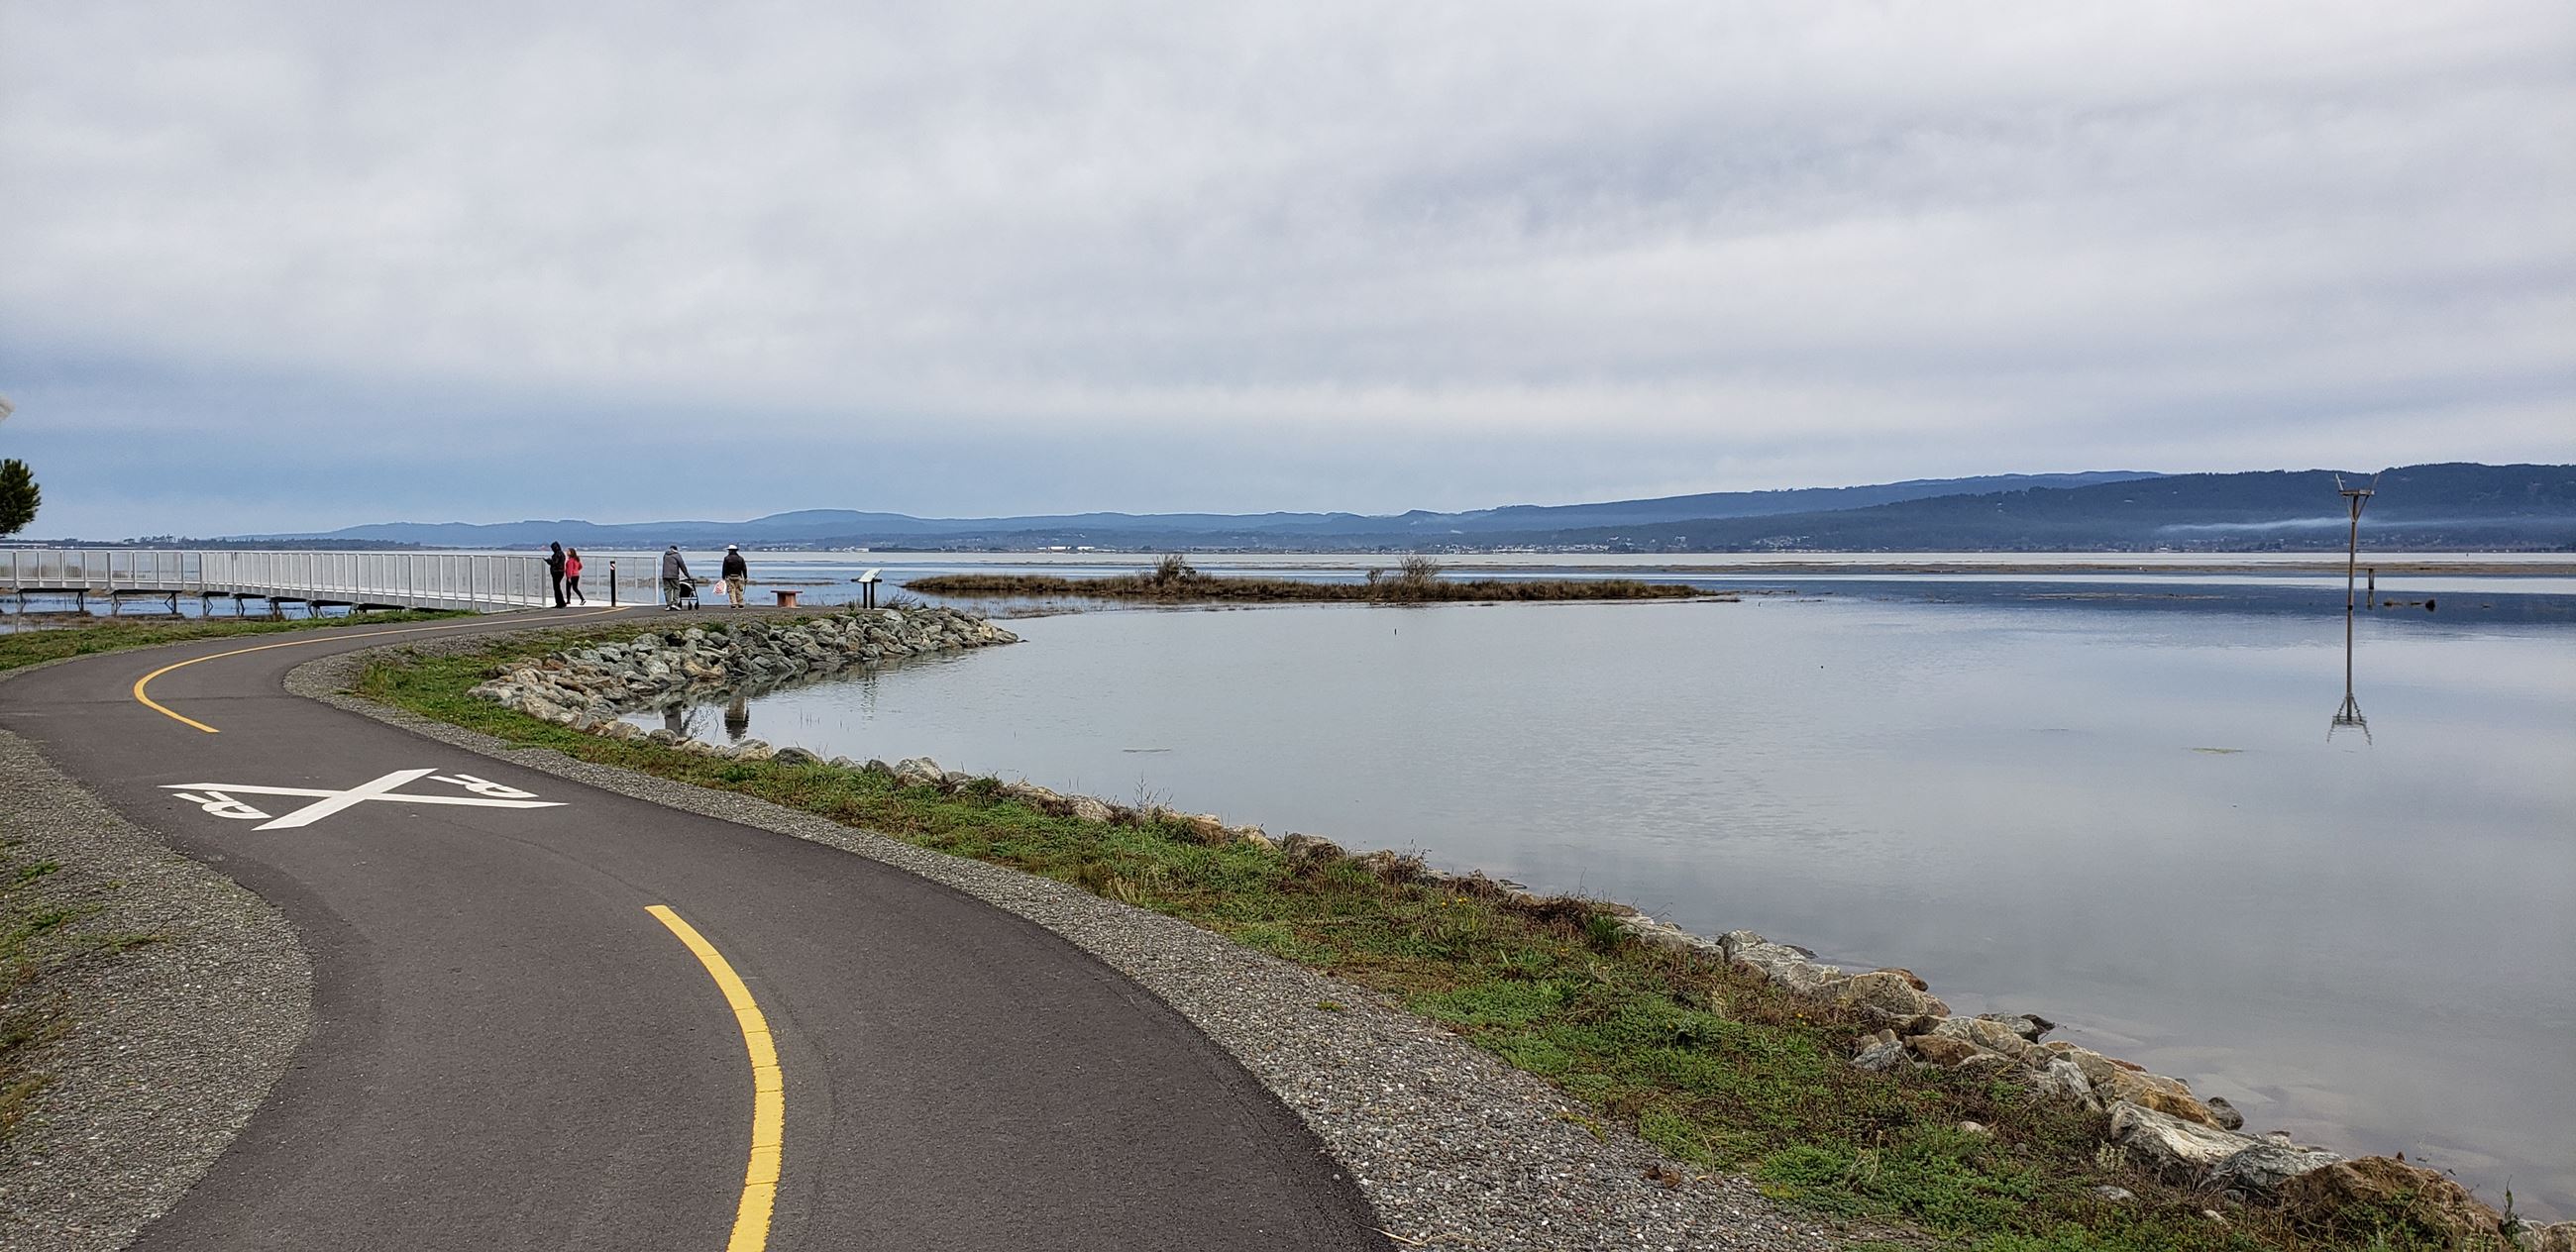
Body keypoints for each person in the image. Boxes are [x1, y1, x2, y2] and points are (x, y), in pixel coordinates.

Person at [660, 544, 692, 611]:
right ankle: (674, 603)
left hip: (665, 575)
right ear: (676, 549)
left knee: (667, 590)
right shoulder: (677, 555)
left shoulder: (665, 555)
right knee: (677, 588)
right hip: (674, 575)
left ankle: (668, 604)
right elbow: (682, 565)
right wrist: (687, 575)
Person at [720, 544, 749, 608]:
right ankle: (740, 603)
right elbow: (744, 568)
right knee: (739, 590)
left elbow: (724, 568)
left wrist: (723, 577)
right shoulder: (740, 558)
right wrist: (745, 577)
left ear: (730, 551)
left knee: (731, 590)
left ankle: (733, 603)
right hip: (738, 576)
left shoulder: (727, 558)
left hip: (730, 576)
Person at [544, 542, 568, 608]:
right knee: (557, 588)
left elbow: (555, 563)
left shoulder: (558, 554)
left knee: (556, 588)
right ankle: (561, 602)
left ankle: (560, 603)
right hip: (560, 571)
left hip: (557, 572)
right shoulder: (561, 554)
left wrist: (549, 561)